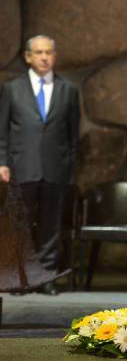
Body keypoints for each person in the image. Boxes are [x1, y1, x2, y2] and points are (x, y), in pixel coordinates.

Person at [0, 35, 80, 296]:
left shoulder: (68, 89)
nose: (44, 57)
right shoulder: (12, 89)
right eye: (39, 52)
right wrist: (2, 162)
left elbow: (72, 135)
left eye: (49, 52)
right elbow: (2, 131)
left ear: (55, 56)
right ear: (28, 56)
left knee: (50, 226)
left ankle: (46, 278)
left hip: (55, 168)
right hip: (21, 167)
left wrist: (69, 167)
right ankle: (20, 279)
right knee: (21, 225)